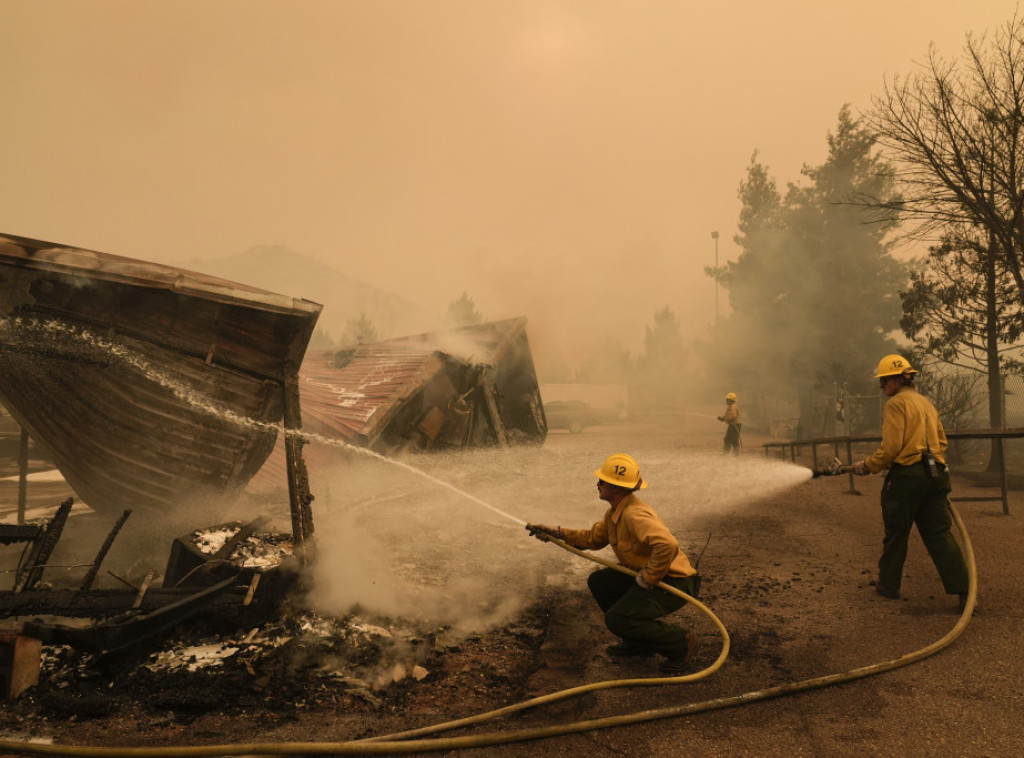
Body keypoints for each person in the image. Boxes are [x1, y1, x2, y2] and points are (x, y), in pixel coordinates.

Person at [525, 453, 701, 674]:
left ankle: (681, 643)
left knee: (617, 619)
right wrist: (557, 533)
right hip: (654, 576)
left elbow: (667, 545)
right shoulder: (615, 512)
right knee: (601, 581)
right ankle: (639, 642)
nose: (597, 483)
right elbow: (592, 539)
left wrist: (649, 578)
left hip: (674, 583)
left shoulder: (634, 514)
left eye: (603, 481)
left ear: (617, 487)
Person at [851, 355, 970, 613]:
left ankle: (888, 585)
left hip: (908, 476)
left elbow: (891, 447)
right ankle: (964, 591)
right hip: (936, 474)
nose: (881, 387)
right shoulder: (927, 403)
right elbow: (942, 442)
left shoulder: (896, 404)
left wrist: (869, 465)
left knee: (897, 531)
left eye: (884, 381)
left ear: (897, 379)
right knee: (939, 533)